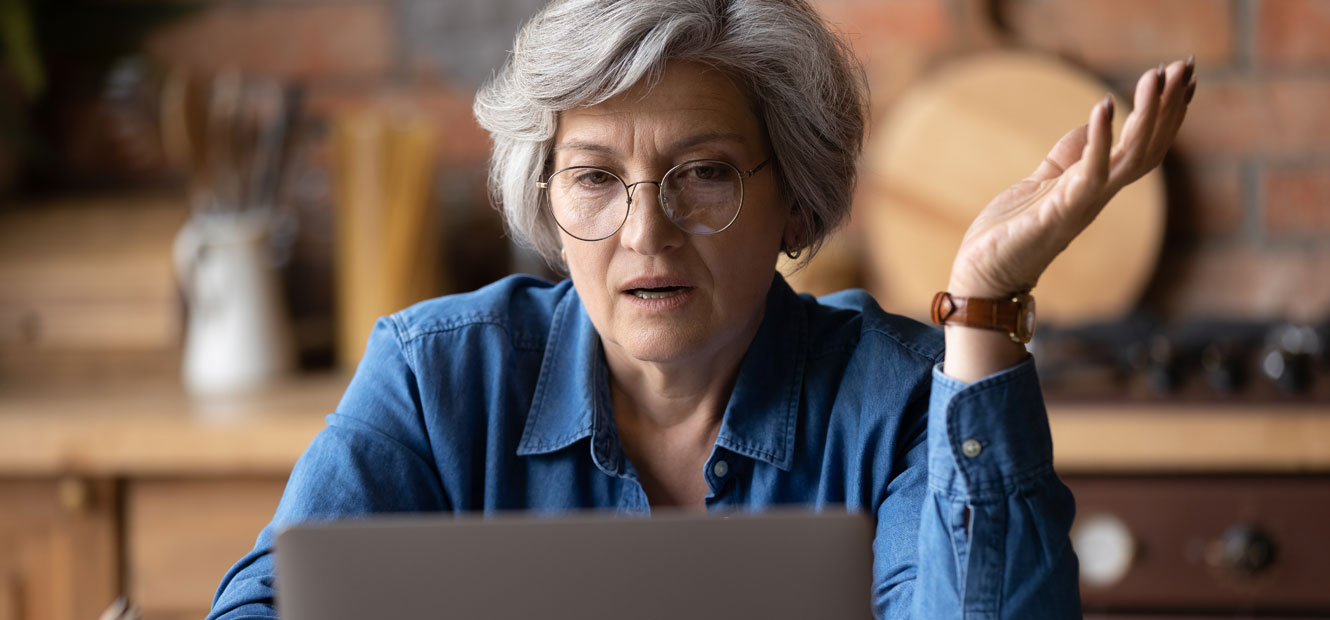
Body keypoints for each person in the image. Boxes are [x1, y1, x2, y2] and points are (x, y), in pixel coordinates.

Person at [208, 0, 1195, 617]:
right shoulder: (434, 378)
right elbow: (264, 606)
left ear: (793, 199)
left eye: (704, 173)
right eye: (595, 178)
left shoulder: (900, 397)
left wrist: (980, 308)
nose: (647, 232)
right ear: (547, 205)